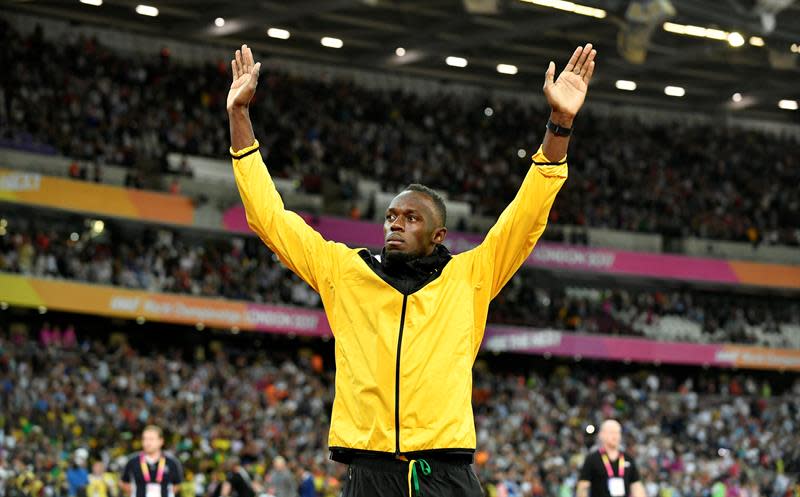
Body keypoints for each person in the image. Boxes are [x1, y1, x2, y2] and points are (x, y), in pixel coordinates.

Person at [227, 41, 596, 497]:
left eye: (411, 218)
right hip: (369, 474)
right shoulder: (345, 271)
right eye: (391, 216)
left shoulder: (469, 277)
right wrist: (239, 115)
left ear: (438, 235)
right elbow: (269, 219)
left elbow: (525, 218)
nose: (395, 224)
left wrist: (559, 124)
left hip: (445, 475)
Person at [577, 420, 645, 497]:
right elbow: (583, 486)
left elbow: (636, 486)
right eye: (611, 432)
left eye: (618, 432)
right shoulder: (592, 459)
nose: (615, 436)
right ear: (601, 435)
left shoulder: (628, 459)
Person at [121, 426, 183, 497]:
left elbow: (177, 485)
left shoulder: (171, 462)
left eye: (151, 439)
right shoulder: (133, 461)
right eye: (145, 439)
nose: (147, 442)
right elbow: (124, 482)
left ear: (161, 441)